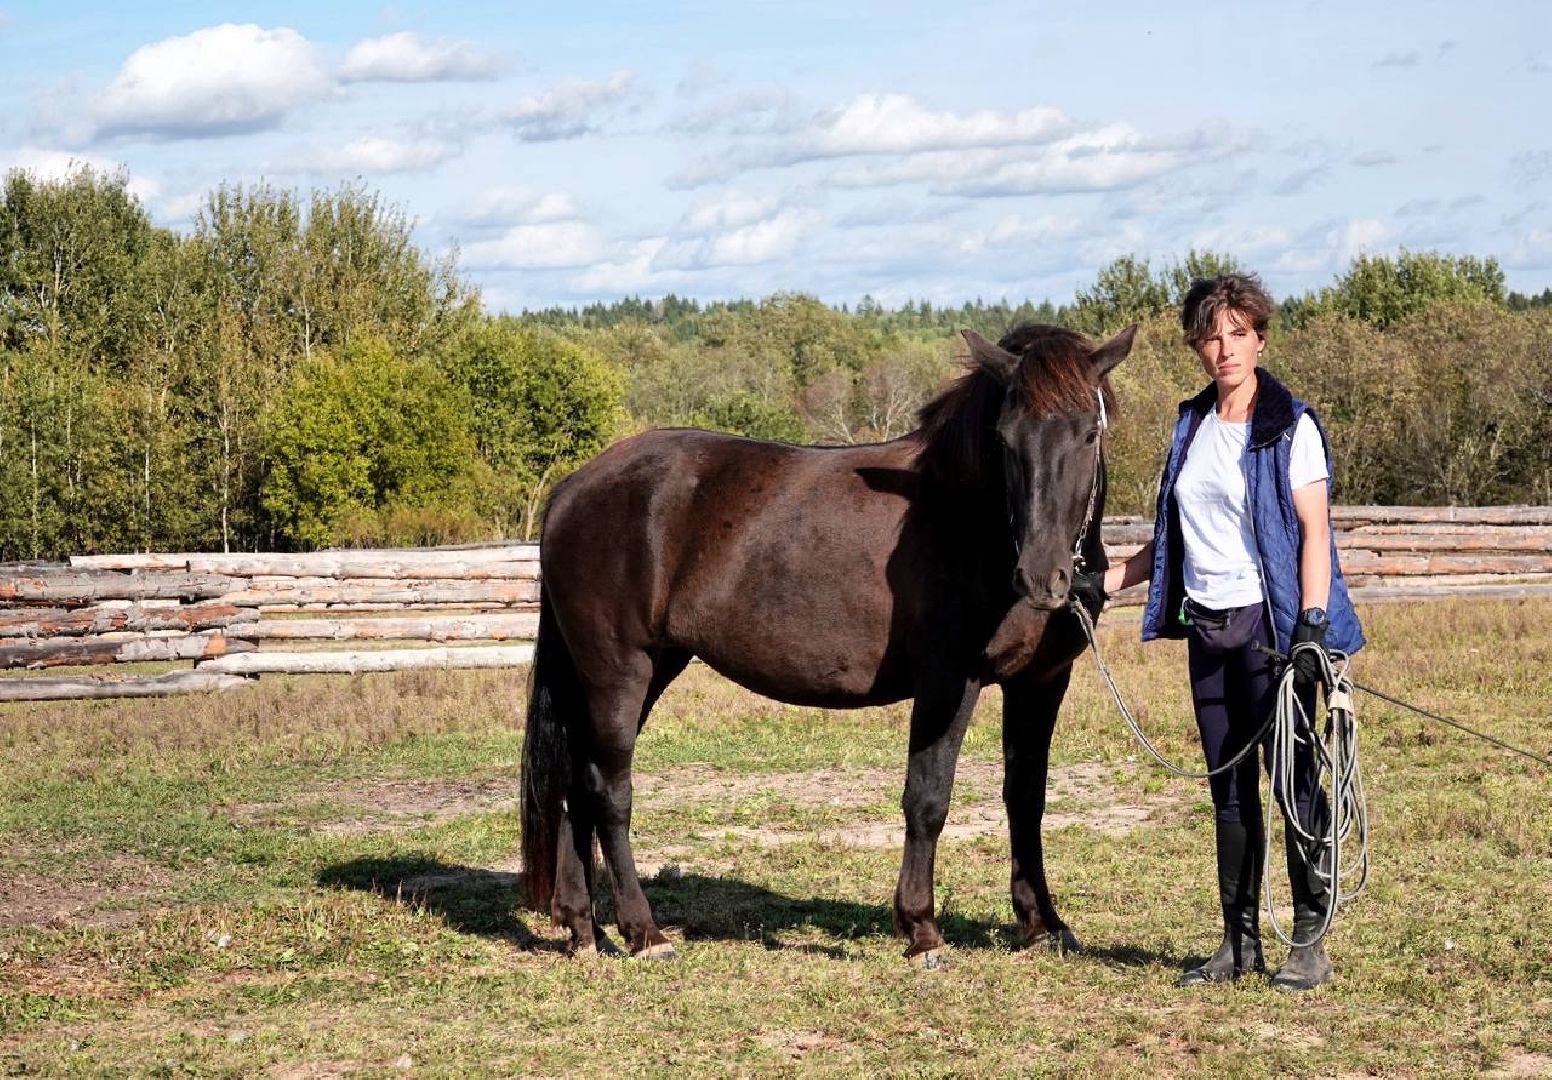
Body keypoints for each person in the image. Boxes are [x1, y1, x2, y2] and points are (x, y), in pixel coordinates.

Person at [1081, 272, 1365, 992]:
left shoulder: (1289, 426)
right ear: (1197, 347)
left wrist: (1310, 625)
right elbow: (1172, 535)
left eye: (1238, 332)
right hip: (1207, 631)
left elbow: (1313, 531)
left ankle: (1308, 940)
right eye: (1212, 335)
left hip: (1271, 630)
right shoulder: (1190, 425)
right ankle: (1236, 945)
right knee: (1229, 791)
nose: (1225, 347)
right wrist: (1107, 581)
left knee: (1296, 783)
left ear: (1259, 339)